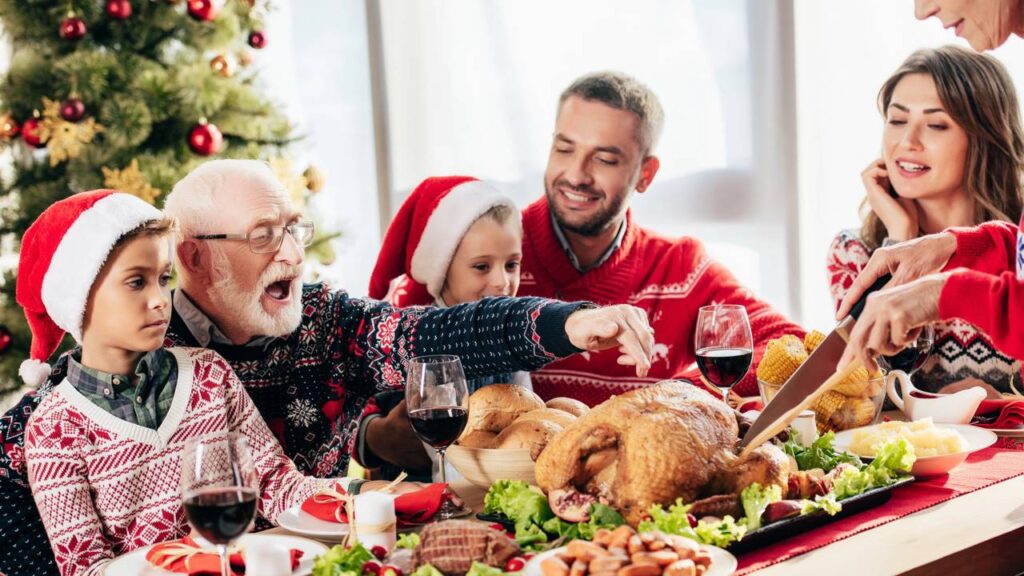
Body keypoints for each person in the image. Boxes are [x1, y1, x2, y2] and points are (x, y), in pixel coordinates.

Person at [0, 161, 655, 575]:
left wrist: (563, 325)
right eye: (264, 235)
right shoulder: (126, 344)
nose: (292, 254)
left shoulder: (307, 321)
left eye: (294, 229)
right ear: (196, 261)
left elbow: (421, 335)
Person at [18, 191, 334, 575]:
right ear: (80, 297)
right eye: (136, 282)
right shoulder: (54, 430)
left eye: (164, 278)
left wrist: (350, 496)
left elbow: (274, 483)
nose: (160, 299)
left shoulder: (208, 375)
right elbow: (86, 568)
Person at [514, 71, 805, 405]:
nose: (577, 175)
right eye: (564, 149)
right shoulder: (490, 257)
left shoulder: (681, 267)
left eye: (605, 159)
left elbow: (791, 343)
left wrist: (666, 399)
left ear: (645, 175)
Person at [827, 46, 1024, 396]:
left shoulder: (1015, 248)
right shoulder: (854, 252)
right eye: (897, 120)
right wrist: (901, 240)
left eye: (935, 125)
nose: (907, 141)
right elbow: (861, 394)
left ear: (983, 138)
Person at [368, 174, 532, 393]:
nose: (502, 282)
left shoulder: (514, 337)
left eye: (511, 265)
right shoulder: (415, 343)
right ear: (442, 270)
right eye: (482, 267)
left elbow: (526, 408)